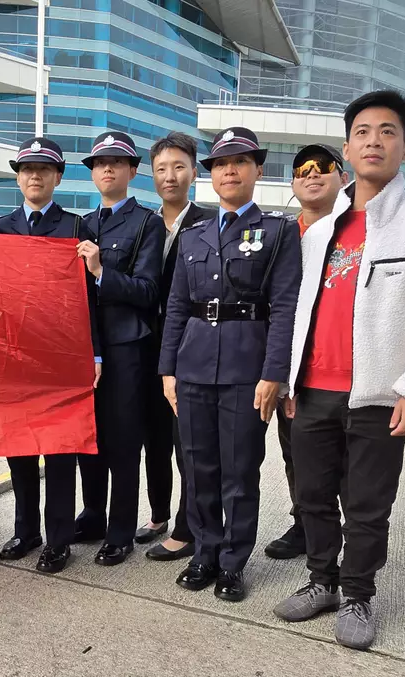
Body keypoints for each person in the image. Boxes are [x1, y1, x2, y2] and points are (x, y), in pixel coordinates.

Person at [273, 91, 405, 651]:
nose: (374, 141)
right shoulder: (318, 231)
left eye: (387, 131)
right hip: (311, 391)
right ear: (346, 149)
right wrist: (288, 379)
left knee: (366, 504)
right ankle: (321, 581)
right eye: (362, 132)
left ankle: (357, 592)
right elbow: (298, 309)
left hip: (380, 394)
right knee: (310, 494)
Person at [158, 127, 300, 603]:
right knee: (197, 468)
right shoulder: (195, 234)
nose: (230, 170)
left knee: (240, 471)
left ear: (258, 170)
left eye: (240, 161)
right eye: (221, 164)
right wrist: (168, 370)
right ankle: (204, 551)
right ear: (212, 175)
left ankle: (233, 563)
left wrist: (273, 374)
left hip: (246, 369)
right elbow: (177, 305)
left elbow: (284, 308)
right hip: (193, 365)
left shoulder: (278, 231)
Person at [0, 137, 99, 574]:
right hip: (14, 355)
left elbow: (91, 299)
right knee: (19, 449)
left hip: (61, 357)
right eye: (26, 169)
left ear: (58, 177)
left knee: (59, 452)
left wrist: (94, 355)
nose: (34, 176)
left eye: (44, 169)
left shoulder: (75, 228)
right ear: (18, 176)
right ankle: (26, 530)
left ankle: (58, 538)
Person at [73, 132, 163, 566]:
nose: (107, 169)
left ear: (132, 171)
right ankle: (92, 514)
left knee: (124, 440)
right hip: (81, 345)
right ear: (91, 172)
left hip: (127, 345)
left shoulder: (148, 223)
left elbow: (148, 291)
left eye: (117, 162)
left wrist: (100, 271)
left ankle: (121, 530)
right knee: (88, 438)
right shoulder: (81, 224)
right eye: (99, 163)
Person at [264, 144, 349, 561]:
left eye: (324, 167)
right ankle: (305, 526)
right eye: (302, 169)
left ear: (343, 177)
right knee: (295, 454)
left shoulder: (355, 232)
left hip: (343, 369)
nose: (312, 174)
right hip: (290, 368)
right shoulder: (280, 235)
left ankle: (347, 537)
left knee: (348, 466)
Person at [141, 132, 215, 563]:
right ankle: (158, 515)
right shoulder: (148, 224)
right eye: (161, 169)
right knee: (153, 440)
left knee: (188, 445)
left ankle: (188, 528)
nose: (170, 176)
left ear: (193, 172)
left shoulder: (206, 222)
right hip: (146, 350)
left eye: (179, 167)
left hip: (191, 351)